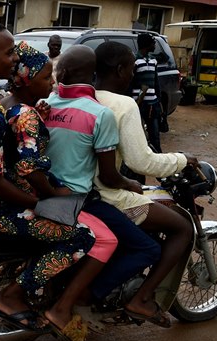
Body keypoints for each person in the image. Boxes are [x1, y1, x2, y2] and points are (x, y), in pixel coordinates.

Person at [0, 23, 95, 341]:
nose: (14, 60)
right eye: (8, 53)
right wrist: (43, 205)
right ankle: (13, 295)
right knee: (81, 236)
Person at [1, 41, 120, 341]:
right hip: (50, 196)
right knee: (98, 239)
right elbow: (31, 167)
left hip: (10, 192)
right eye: (45, 77)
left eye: (53, 76)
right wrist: (53, 193)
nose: (52, 84)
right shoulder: (97, 113)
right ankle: (58, 306)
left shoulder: (11, 104)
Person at [44, 44, 161, 320]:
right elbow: (110, 176)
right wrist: (131, 185)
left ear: (62, 72)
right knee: (148, 247)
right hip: (79, 200)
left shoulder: (46, 104)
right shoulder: (100, 113)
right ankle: (85, 297)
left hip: (45, 192)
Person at [94, 41, 195, 327]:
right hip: (107, 196)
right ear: (121, 69)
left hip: (78, 190)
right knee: (182, 227)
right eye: (130, 68)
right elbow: (142, 162)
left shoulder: (81, 97)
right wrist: (182, 159)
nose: (132, 75)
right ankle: (142, 298)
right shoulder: (122, 103)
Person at [131, 33, 165, 153]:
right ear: (147, 44)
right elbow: (130, 81)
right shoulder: (135, 61)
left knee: (155, 135)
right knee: (137, 134)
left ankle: (158, 157)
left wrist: (159, 101)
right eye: (153, 43)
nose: (155, 45)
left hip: (152, 103)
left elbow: (156, 83)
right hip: (138, 104)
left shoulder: (153, 61)